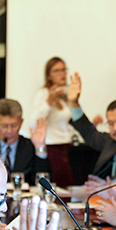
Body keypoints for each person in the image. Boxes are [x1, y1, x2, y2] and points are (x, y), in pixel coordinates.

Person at [0, 98, 50, 184]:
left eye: (14, 125)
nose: (9, 131)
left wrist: (40, 147)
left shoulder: (29, 146)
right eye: (4, 126)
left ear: (21, 123)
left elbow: (43, 181)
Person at [29, 57, 76, 187]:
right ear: (49, 76)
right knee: (61, 186)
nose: (62, 74)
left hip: (66, 146)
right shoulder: (43, 93)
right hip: (52, 147)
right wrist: (49, 101)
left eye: (64, 69)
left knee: (68, 185)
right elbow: (34, 120)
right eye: (57, 70)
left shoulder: (64, 95)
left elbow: (67, 123)